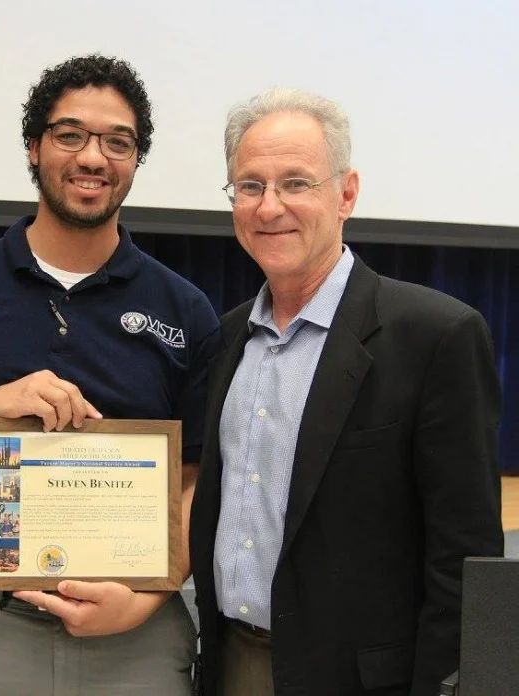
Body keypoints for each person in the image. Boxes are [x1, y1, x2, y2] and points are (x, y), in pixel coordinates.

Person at [0, 54, 221, 695]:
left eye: (119, 142)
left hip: (134, 638)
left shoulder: (184, 310)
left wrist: (147, 597)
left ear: (136, 160)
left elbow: (197, 477)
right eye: (70, 135)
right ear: (34, 148)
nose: (94, 157)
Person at [188, 87, 503, 696]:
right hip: (232, 664)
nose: (269, 206)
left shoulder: (435, 336)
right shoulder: (225, 339)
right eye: (249, 186)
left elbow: (466, 559)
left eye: (296, 183)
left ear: (347, 194)